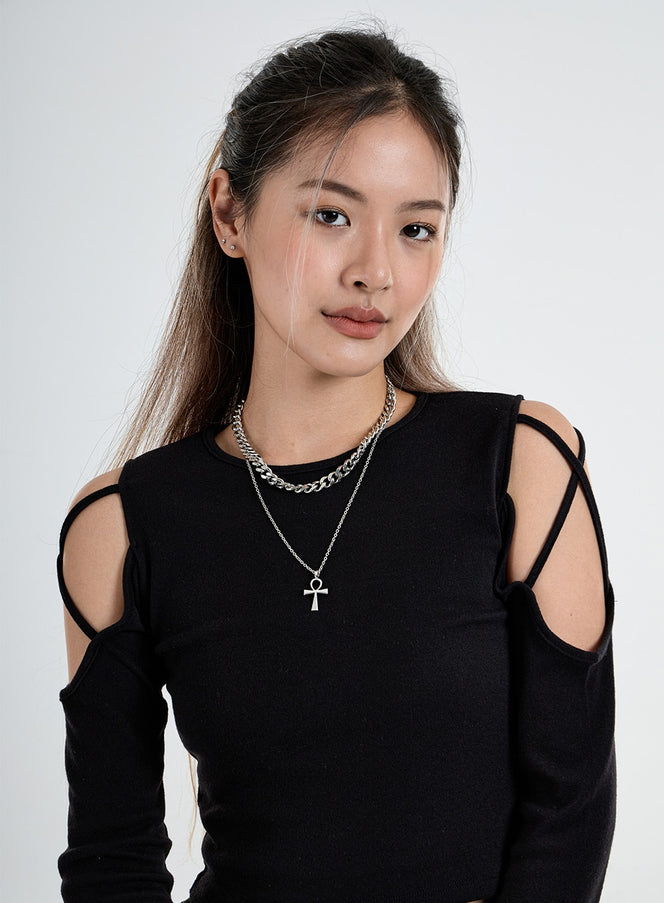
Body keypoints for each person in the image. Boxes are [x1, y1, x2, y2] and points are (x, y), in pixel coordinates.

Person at [56, 27, 616, 903]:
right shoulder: (123, 525)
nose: (375, 272)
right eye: (331, 215)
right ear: (229, 213)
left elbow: (570, 816)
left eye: (417, 228)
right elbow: (110, 863)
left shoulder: (522, 464)